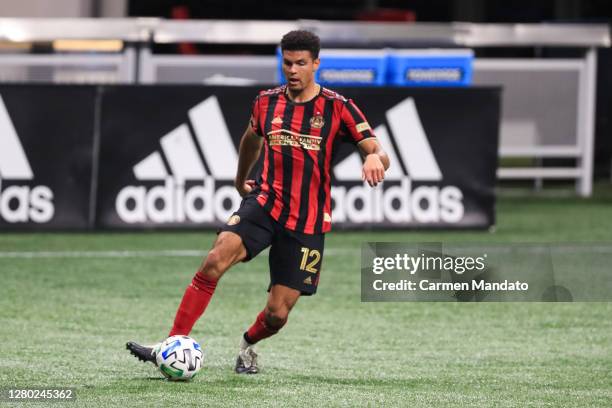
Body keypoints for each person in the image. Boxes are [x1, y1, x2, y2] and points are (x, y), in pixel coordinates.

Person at [127, 30, 390, 374]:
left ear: (316, 65)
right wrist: (240, 180)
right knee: (215, 258)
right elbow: (251, 139)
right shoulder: (266, 102)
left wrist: (374, 159)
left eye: (300, 63)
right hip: (265, 201)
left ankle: (248, 345)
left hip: (306, 221)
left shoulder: (338, 107)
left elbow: (376, 149)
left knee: (277, 314)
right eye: (287, 63)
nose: (292, 70)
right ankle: (171, 343)